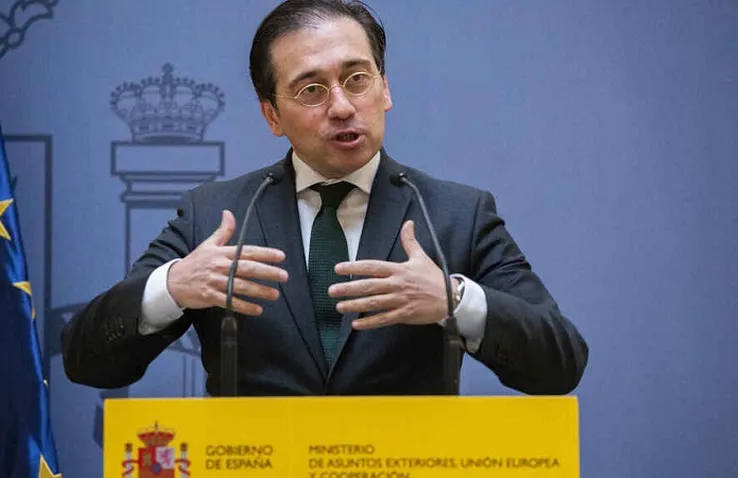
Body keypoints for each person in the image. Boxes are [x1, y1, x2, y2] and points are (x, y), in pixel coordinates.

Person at [61, 0, 588, 396]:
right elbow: (85, 359)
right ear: (272, 115)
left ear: (385, 88)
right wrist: (174, 286)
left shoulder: (454, 214)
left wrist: (455, 301)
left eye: (357, 79)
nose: (341, 106)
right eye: (311, 89)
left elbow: (561, 362)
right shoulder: (216, 216)